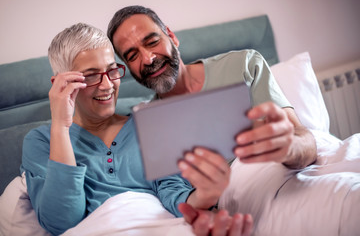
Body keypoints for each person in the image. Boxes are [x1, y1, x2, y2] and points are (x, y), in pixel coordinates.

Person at [20, 23, 252, 236]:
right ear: (60, 86)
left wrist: (205, 195)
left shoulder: (150, 125)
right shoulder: (42, 142)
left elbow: (174, 193)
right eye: (91, 76)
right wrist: (61, 127)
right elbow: (62, 222)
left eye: (112, 70)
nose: (107, 85)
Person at [107, 5, 317, 233]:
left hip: (292, 178)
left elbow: (304, 141)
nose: (147, 59)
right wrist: (207, 205)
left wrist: (290, 147)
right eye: (133, 55)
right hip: (242, 204)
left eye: (151, 42)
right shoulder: (150, 124)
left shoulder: (244, 65)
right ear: (128, 68)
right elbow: (176, 195)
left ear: (171, 36)